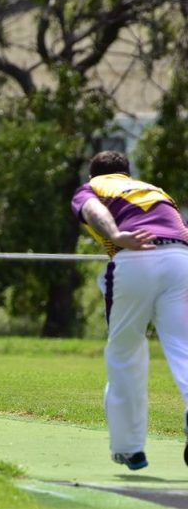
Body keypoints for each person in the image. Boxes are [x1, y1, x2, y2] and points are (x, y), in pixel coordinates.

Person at [71, 150, 188, 470]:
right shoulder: (155, 191)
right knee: (184, 348)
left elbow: (92, 209)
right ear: (127, 172)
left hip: (136, 257)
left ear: (93, 174)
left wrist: (115, 235)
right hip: (181, 259)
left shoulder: (92, 187)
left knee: (125, 352)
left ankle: (129, 449)